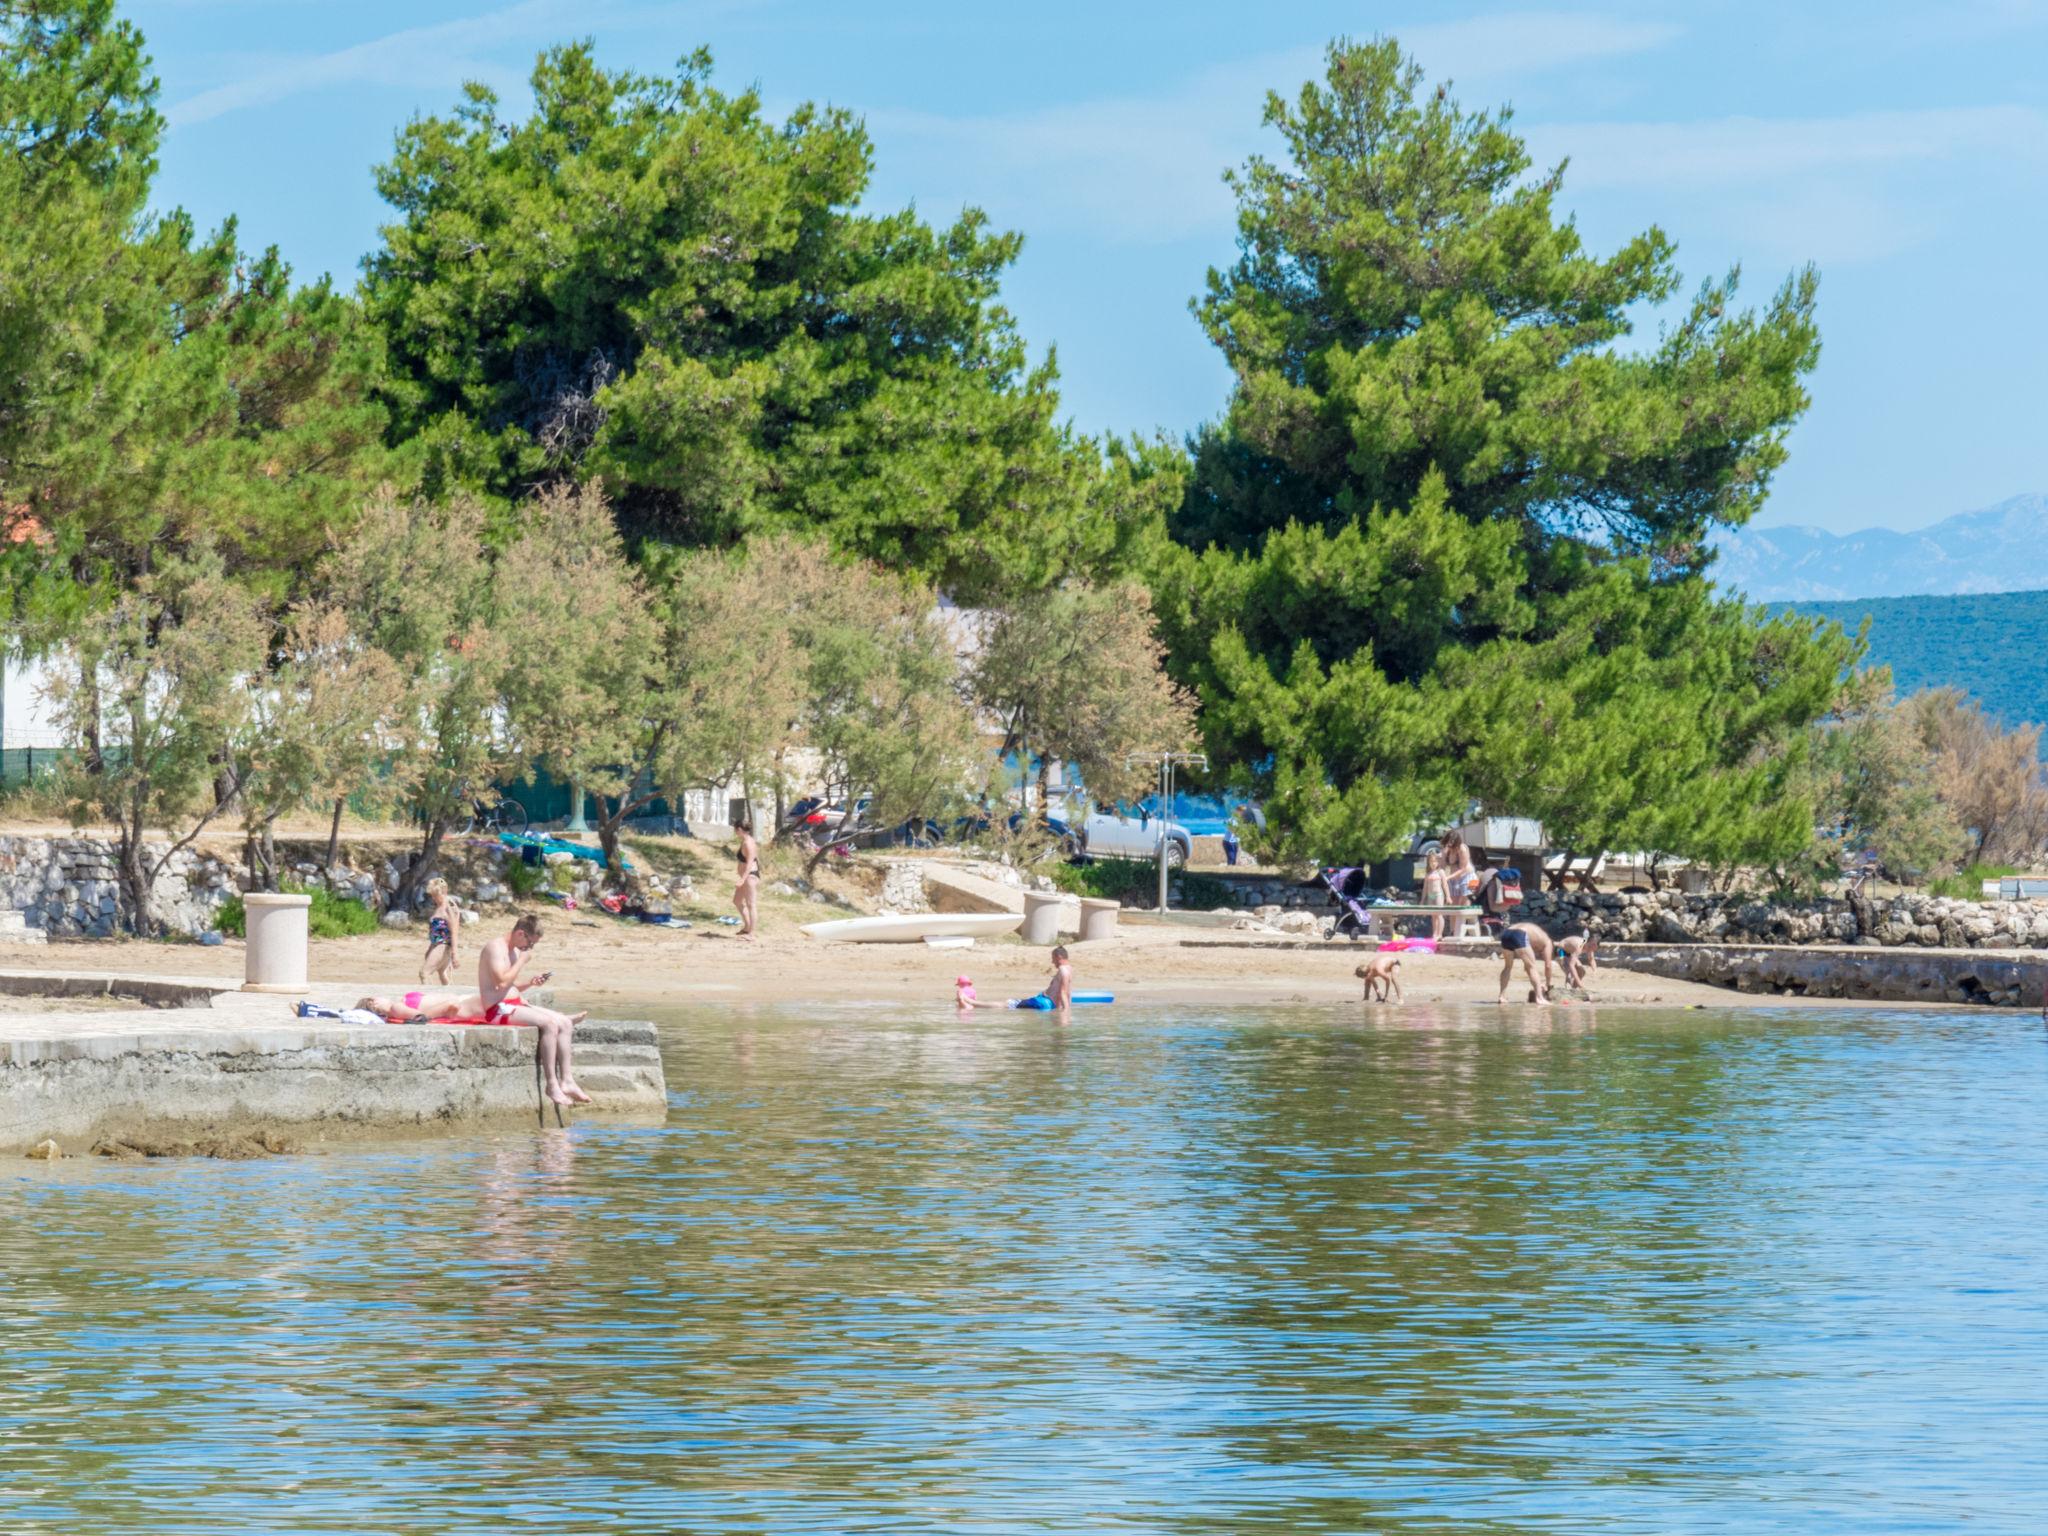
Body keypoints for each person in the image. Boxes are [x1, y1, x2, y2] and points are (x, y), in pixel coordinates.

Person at [479, 914, 589, 1106]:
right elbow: (501, 982)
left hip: (512, 1003)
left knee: (565, 1023)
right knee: (549, 1024)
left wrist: (529, 983)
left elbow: (509, 986)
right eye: (530, 944)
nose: (529, 949)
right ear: (521, 933)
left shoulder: (512, 950)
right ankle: (552, 1084)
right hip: (496, 1010)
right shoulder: (495, 947)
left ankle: (568, 1081)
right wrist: (522, 961)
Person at [1496, 921, 1556, 1004]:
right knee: (1532, 967)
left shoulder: (1536, 937)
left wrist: (1539, 984)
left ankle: (1501, 997)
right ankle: (1540, 998)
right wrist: (1548, 985)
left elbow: (1527, 967)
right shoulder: (1548, 942)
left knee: (1508, 967)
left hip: (1506, 933)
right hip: (1520, 933)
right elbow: (1548, 965)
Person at [420, 877, 460, 986]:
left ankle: (429, 999)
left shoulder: (449, 907)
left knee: (424, 973)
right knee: (442, 972)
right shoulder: (439, 907)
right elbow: (436, 930)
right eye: (432, 896)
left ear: (444, 892)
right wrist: (430, 947)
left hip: (443, 946)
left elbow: (454, 930)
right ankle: (449, 997)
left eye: (436, 895)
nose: (434, 898)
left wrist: (455, 953)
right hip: (436, 944)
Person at [732, 817, 760, 939]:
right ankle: (747, 927)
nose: (735, 832)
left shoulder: (748, 843)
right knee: (737, 901)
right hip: (745, 876)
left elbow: (749, 863)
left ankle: (752, 934)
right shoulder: (745, 840)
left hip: (750, 876)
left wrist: (743, 879)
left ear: (739, 829)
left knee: (751, 904)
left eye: (735, 829)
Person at [1420, 849, 1451, 940]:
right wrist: (1422, 899)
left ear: (1438, 862)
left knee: (1439, 914)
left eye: (1435, 861)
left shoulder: (1440, 872)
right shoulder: (1428, 873)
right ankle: (1435, 933)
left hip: (1438, 895)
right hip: (1430, 895)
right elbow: (1425, 888)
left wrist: (1448, 896)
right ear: (1428, 863)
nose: (1433, 864)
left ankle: (1440, 933)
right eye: (1431, 862)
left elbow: (1445, 885)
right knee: (1433, 915)